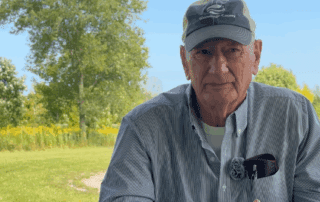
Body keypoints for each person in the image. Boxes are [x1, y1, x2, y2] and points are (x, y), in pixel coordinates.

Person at [99, 0, 320, 201]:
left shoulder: (297, 116)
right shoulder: (143, 126)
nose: (218, 68)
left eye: (232, 50)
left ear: (256, 56)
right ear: (185, 63)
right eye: (204, 52)